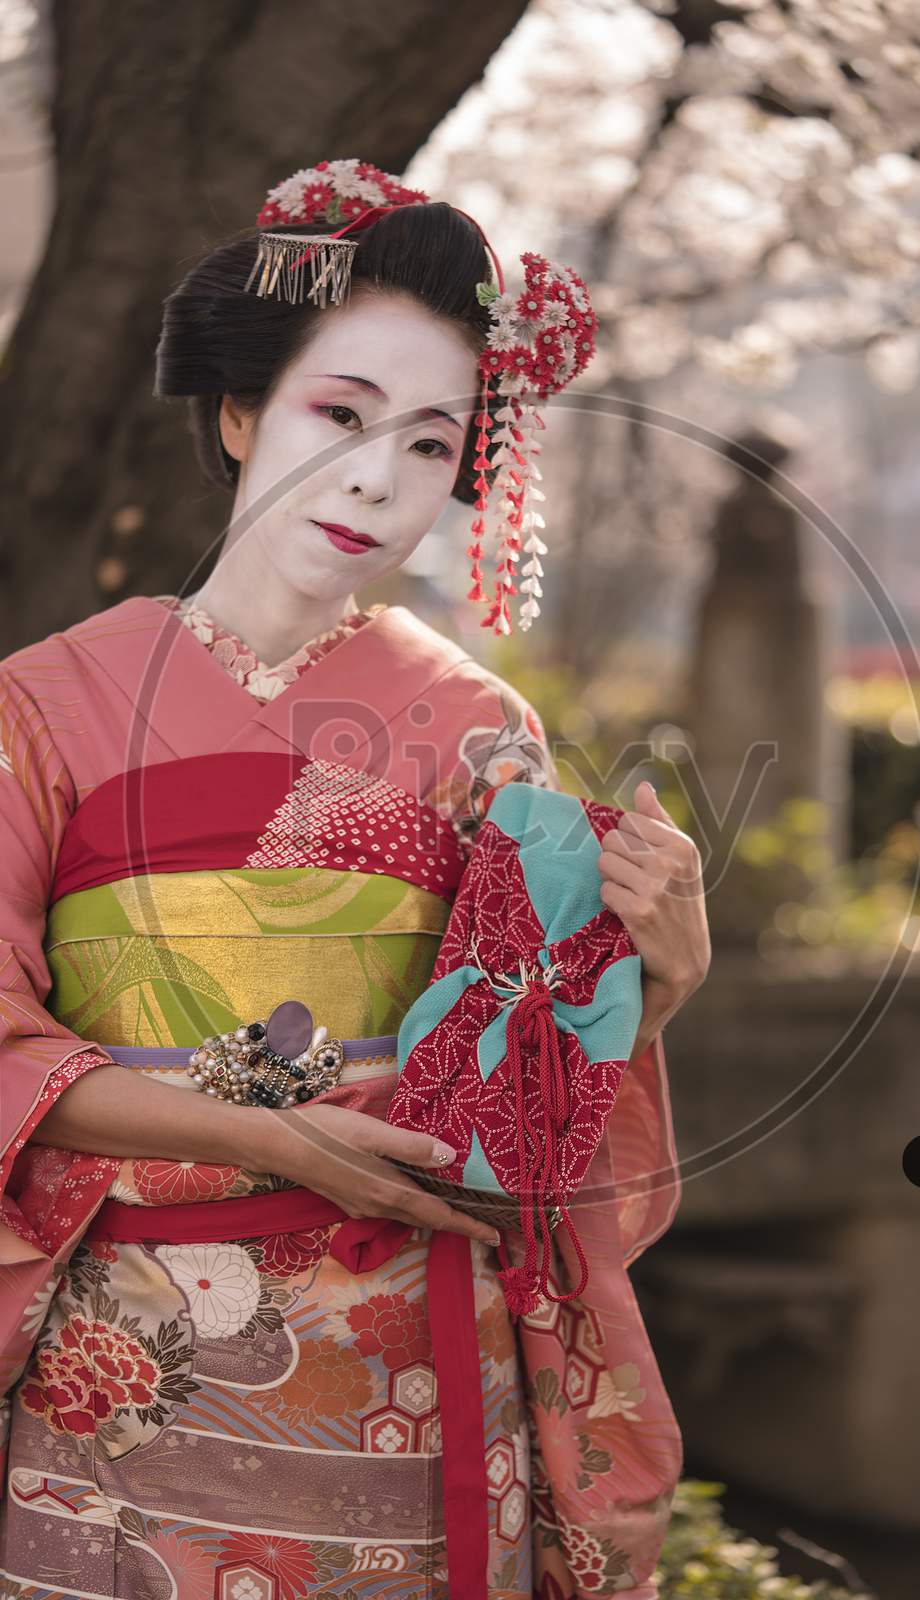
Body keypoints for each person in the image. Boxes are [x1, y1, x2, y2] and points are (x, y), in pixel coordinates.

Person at [0, 160, 710, 1599]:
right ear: (241, 410)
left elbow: (526, 1095)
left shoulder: (479, 727)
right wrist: (273, 1137)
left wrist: (652, 988)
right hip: (126, 1376)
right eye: (340, 416)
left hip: (412, 1370)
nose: (381, 479)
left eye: (436, 446)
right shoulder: (41, 704)